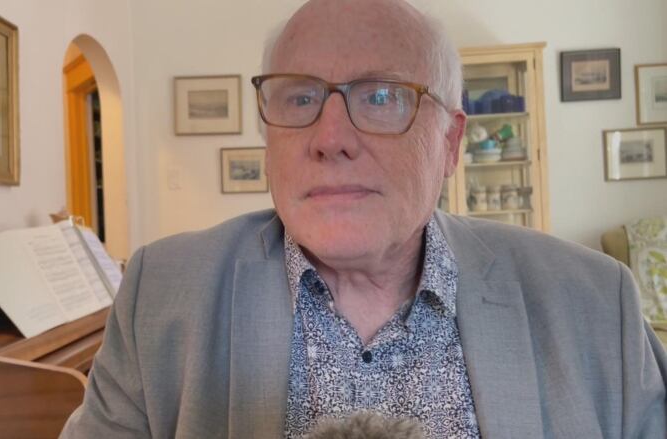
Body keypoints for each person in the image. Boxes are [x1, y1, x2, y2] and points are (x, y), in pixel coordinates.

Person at [61, 0, 667, 437]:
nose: (330, 138)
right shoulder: (161, 294)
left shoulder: (594, 302)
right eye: (299, 97)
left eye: (381, 97)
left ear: (451, 144)